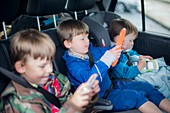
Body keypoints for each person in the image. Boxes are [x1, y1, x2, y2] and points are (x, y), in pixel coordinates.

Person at [57, 19, 170, 112]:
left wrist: (118, 48)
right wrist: (106, 60)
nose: (87, 41)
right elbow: (89, 78)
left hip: (112, 86)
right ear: (68, 43)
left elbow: (105, 51)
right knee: (135, 96)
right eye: (82, 39)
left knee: (145, 87)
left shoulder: (89, 50)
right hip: (100, 97)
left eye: (87, 37)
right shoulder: (73, 65)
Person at [0, 29, 100, 113]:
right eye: (42, 66)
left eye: (50, 63)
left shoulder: (53, 81)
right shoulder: (20, 101)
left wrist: (87, 98)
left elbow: (71, 104)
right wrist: (73, 106)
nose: (49, 69)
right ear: (21, 67)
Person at [109, 18, 170, 100]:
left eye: (133, 40)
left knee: (163, 68)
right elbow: (124, 74)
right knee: (157, 79)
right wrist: (139, 67)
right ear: (119, 39)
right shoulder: (115, 56)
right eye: (130, 40)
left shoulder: (123, 50)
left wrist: (140, 57)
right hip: (127, 78)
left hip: (133, 68)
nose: (132, 43)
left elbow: (131, 53)